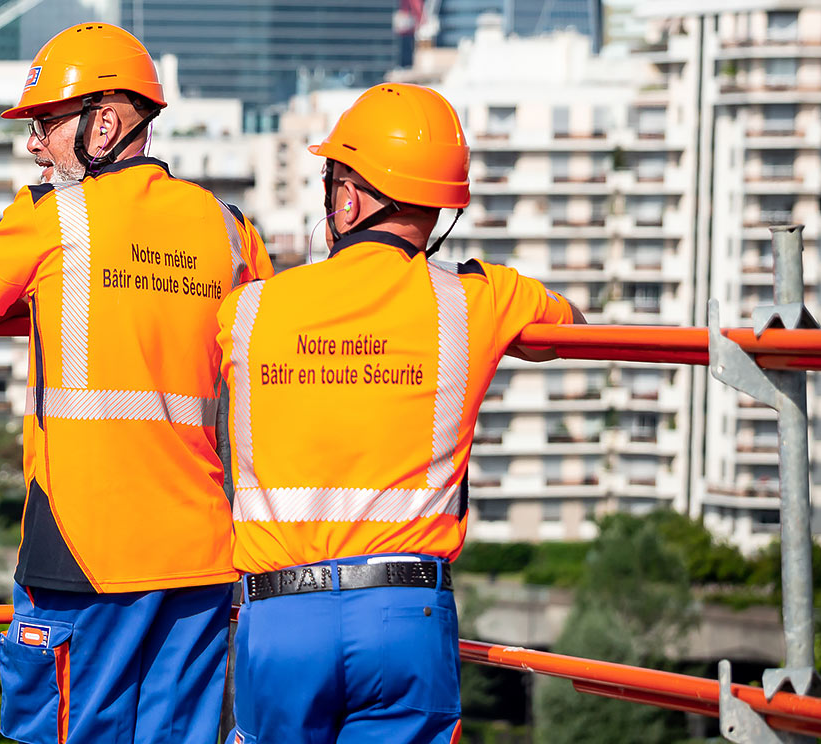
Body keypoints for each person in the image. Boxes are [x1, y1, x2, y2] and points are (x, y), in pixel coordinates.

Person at [0, 22, 272, 744]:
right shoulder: (230, 230)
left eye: (46, 123)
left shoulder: (52, 218)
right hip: (200, 557)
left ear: (105, 123)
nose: (35, 145)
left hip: (83, 554)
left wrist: (30, 232)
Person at [219, 82, 586, 744]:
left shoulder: (251, 309)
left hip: (280, 615)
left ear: (349, 199)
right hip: (406, 613)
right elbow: (575, 329)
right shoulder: (478, 302)